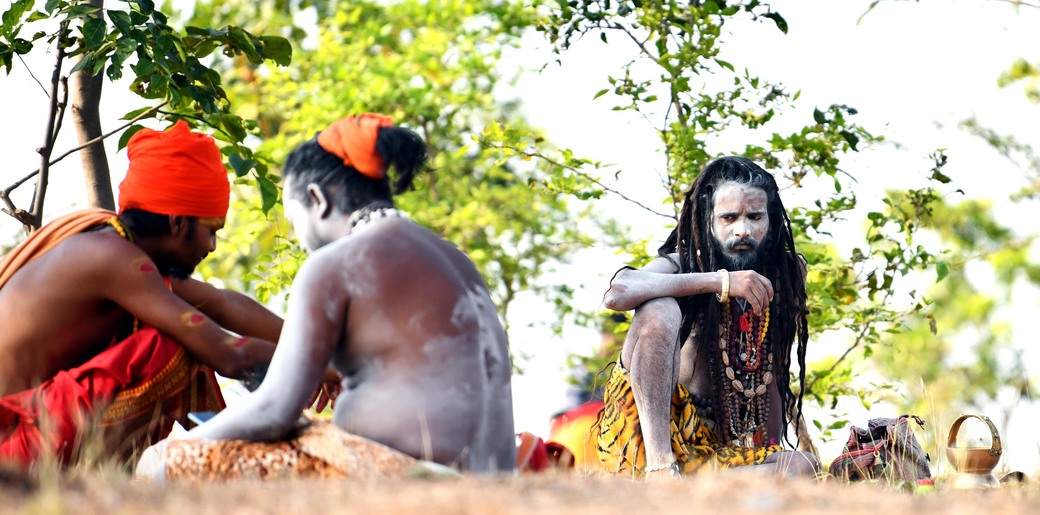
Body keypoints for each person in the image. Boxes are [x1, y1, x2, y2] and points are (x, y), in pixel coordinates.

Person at [157, 113, 516, 480]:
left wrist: (173, 449)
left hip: (411, 475)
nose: (299, 238)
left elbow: (273, 410)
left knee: (181, 463)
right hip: (497, 477)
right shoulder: (456, 258)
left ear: (317, 200)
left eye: (294, 219)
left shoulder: (337, 262)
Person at [0, 120, 283, 469]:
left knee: (186, 328)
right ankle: (225, 462)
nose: (211, 247)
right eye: (211, 231)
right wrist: (332, 367)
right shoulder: (114, 258)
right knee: (175, 346)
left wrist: (333, 346)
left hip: (29, 428)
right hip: (12, 444)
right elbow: (229, 354)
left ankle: (226, 458)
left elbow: (223, 303)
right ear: (178, 222)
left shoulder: (116, 246)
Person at [598, 156, 818, 478]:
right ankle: (660, 473)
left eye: (754, 216)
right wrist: (721, 281)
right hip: (643, 443)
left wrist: (767, 450)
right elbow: (618, 292)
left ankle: (682, 493)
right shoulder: (682, 264)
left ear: (771, 221)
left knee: (802, 466)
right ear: (709, 220)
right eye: (729, 217)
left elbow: (771, 377)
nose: (742, 230)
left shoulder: (786, 275)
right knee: (660, 308)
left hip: (712, 456)